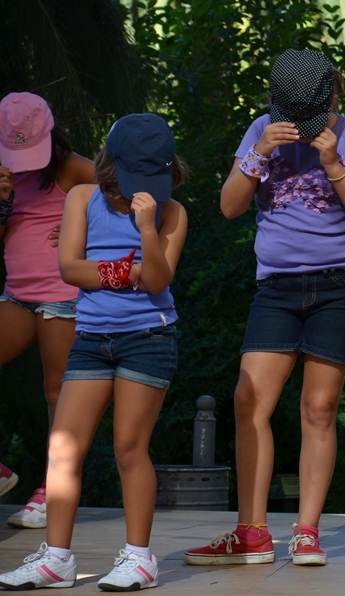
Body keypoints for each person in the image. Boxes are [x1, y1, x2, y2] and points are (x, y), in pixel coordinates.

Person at [182, 48, 345, 567]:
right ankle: (251, 533)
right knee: (249, 404)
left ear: (333, 94)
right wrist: (256, 156)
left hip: (338, 286)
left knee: (318, 410)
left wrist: (334, 164)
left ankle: (307, 532)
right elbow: (229, 207)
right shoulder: (261, 130)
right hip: (276, 289)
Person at [0, 113, 188, 591]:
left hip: (148, 339)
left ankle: (139, 559)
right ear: (110, 165)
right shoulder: (82, 197)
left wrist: (147, 230)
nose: (141, 190)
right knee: (64, 447)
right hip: (91, 339)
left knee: (129, 447)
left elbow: (160, 280)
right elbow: (68, 268)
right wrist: (128, 273)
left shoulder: (172, 213)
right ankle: (57, 560)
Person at [0, 92, 95, 529]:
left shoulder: (72, 167)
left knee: (57, 392)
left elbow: (129, 200)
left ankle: (48, 493)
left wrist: (83, 227)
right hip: (16, 295)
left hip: (63, 295)